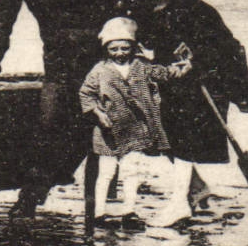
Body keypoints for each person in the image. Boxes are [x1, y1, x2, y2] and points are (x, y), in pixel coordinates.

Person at [0, 0, 115, 218]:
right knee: (48, 125)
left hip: (96, 54)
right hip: (58, 60)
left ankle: (103, 198)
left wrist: (117, 41)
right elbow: (4, 19)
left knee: (104, 123)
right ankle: (31, 196)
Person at [116, 0, 248, 217]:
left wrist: (195, 61)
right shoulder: (146, 11)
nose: (133, 3)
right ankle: (196, 189)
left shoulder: (195, 10)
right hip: (172, 80)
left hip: (206, 82)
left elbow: (225, 47)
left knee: (185, 139)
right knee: (163, 136)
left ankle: (182, 200)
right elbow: (147, 41)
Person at [78, 16, 193, 226]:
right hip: (107, 131)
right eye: (114, 49)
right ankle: (99, 213)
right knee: (106, 172)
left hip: (135, 129)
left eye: (125, 48)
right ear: (106, 49)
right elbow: (86, 93)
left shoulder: (142, 66)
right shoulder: (99, 70)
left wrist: (182, 67)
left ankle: (129, 212)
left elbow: (165, 73)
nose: (120, 53)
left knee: (132, 171)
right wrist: (98, 113)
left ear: (133, 47)